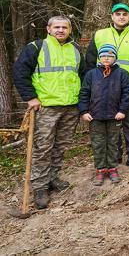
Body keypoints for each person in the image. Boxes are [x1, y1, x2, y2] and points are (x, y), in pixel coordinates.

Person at [13, 15, 85, 209]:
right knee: (42, 147)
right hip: (46, 107)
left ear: (70, 30)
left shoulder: (76, 49)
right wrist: (31, 97)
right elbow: (20, 72)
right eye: (57, 27)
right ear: (48, 29)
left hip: (70, 107)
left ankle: (52, 177)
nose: (60, 30)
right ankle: (40, 186)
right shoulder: (36, 47)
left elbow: (83, 75)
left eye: (64, 27)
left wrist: (83, 102)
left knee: (61, 145)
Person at [86, 3, 129, 173]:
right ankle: (114, 157)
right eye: (118, 14)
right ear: (112, 16)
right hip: (104, 88)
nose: (121, 17)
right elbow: (90, 60)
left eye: (125, 14)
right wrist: (91, 84)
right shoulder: (100, 34)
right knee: (111, 123)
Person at [79, 44, 129, 186]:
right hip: (95, 116)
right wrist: (84, 111)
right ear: (99, 57)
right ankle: (101, 169)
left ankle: (112, 168)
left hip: (114, 115)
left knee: (113, 143)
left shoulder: (122, 74)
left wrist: (122, 110)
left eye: (110, 56)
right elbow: (84, 93)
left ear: (115, 57)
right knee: (98, 143)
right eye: (103, 56)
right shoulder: (91, 74)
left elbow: (127, 94)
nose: (106, 58)